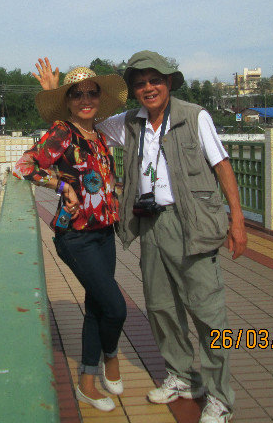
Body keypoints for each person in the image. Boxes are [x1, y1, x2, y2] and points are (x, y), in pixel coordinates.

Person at [34, 52, 247, 423]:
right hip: (150, 224)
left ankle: (219, 397)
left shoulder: (195, 117)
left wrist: (238, 220)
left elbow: (222, 165)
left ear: (169, 82)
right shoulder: (128, 123)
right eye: (140, 83)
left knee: (207, 313)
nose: (148, 88)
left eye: (155, 80)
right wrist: (56, 98)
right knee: (161, 307)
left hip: (193, 223)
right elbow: (77, 126)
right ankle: (181, 376)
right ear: (133, 91)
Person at [12, 67, 129, 413]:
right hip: (76, 236)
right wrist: (62, 187)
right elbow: (24, 166)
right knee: (116, 308)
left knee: (96, 307)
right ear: (68, 101)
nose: (86, 99)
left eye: (92, 93)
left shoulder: (99, 137)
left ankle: (87, 384)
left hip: (104, 232)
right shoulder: (62, 132)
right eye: (77, 94)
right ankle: (110, 359)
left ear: (100, 98)